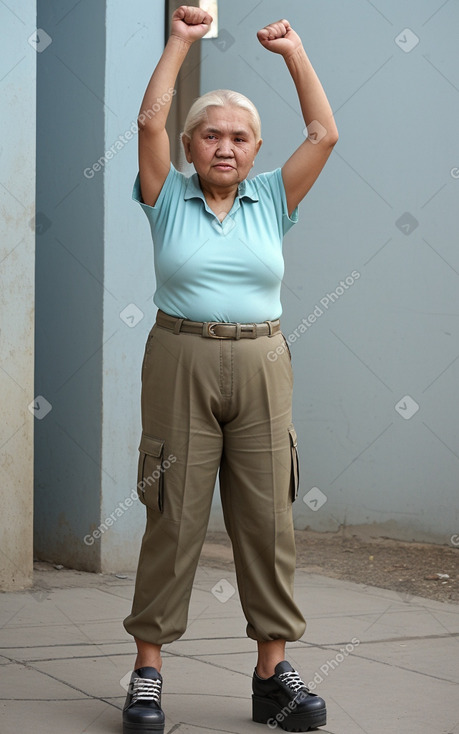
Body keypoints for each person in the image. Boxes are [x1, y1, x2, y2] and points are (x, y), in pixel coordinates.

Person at [122, 6, 338, 733]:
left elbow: (323, 134)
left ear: (254, 150)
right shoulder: (166, 196)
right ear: (190, 146)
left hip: (261, 360)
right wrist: (181, 41)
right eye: (210, 134)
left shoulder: (274, 197)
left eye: (238, 137)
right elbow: (149, 122)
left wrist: (293, 52)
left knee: (267, 516)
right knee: (171, 514)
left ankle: (273, 674)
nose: (224, 146)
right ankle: (148, 673)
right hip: (179, 355)